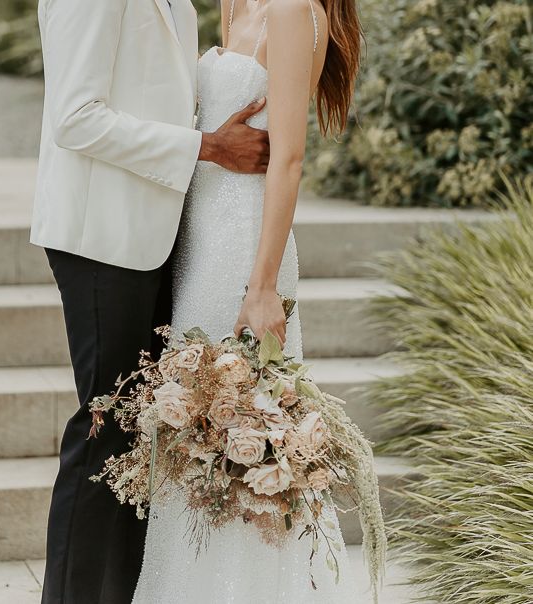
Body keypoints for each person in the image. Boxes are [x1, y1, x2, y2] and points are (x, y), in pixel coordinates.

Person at [30, 1, 271, 603]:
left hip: (156, 230)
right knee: (103, 427)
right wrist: (208, 146)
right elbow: (76, 119)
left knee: (140, 437)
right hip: (101, 236)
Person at [132, 0, 364, 601]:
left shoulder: (292, 13)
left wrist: (261, 288)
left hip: (246, 252)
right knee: (192, 437)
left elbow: (286, 159)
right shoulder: (233, 4)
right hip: (196, 245)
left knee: (250, 444)